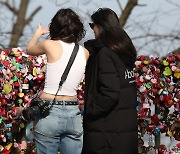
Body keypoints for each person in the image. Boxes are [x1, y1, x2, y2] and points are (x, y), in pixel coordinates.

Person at [26, 8, 89, 154]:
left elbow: (30, 49)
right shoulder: (85, 52)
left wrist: (39, 33)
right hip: (73, 113)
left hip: (49, 112)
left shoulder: (49, 44)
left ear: (55, 26)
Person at [82, 8, 138, 154]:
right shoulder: (124, 52)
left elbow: (110, 93)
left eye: (92, 25)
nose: (92, 29)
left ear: (101, 26)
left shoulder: (105, 54)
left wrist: (90, 109)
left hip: (106, 131)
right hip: (123, 129)